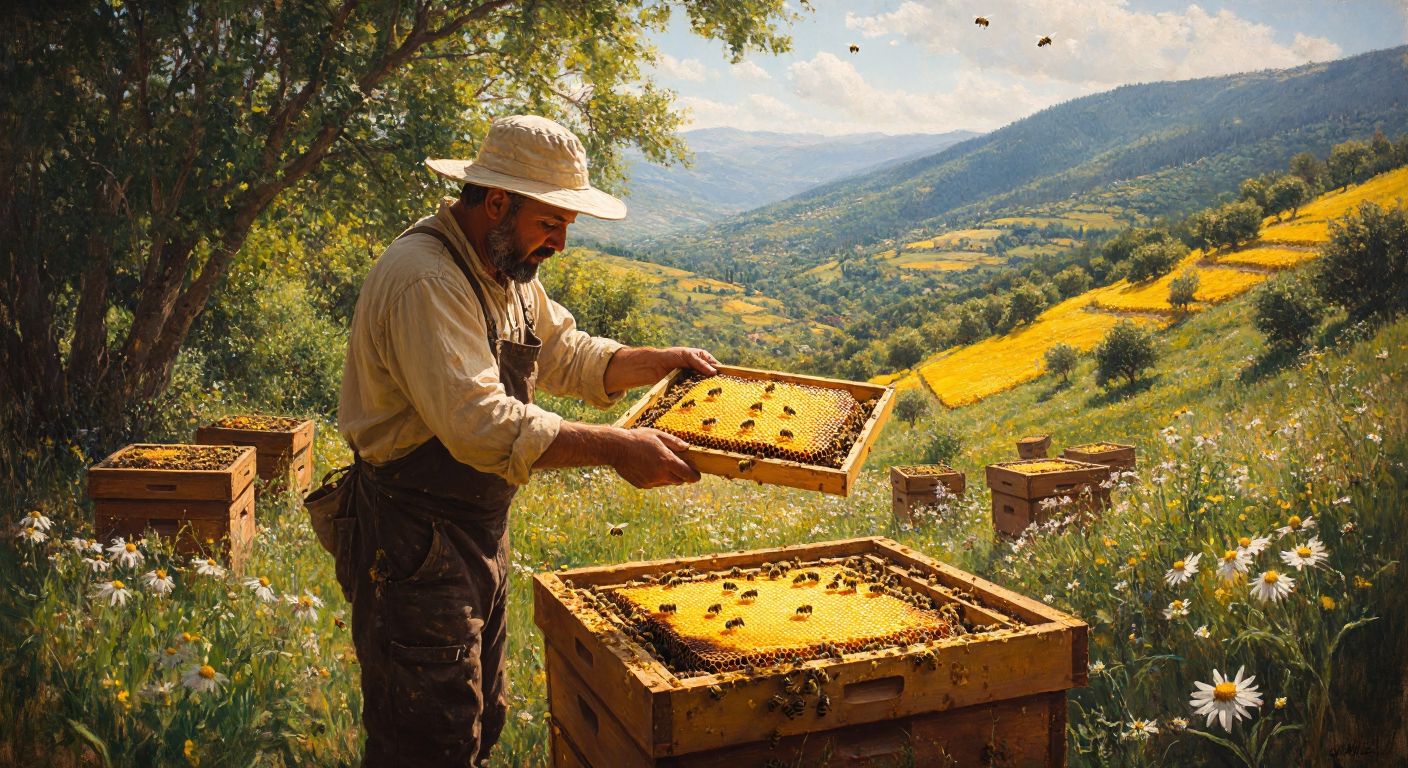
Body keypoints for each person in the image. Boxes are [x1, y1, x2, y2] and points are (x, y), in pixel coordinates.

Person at [335, 114, 718, 767]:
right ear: (496, 203)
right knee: (430, 740)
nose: (561, 243)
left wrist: (656, 360)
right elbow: (479, 422)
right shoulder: (427, 279)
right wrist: (616, 448)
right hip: (412, 537)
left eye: (567, 226)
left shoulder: (506, 266)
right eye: (552, 223)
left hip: (477, 529)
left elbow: (564, 352)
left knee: (480, 722)